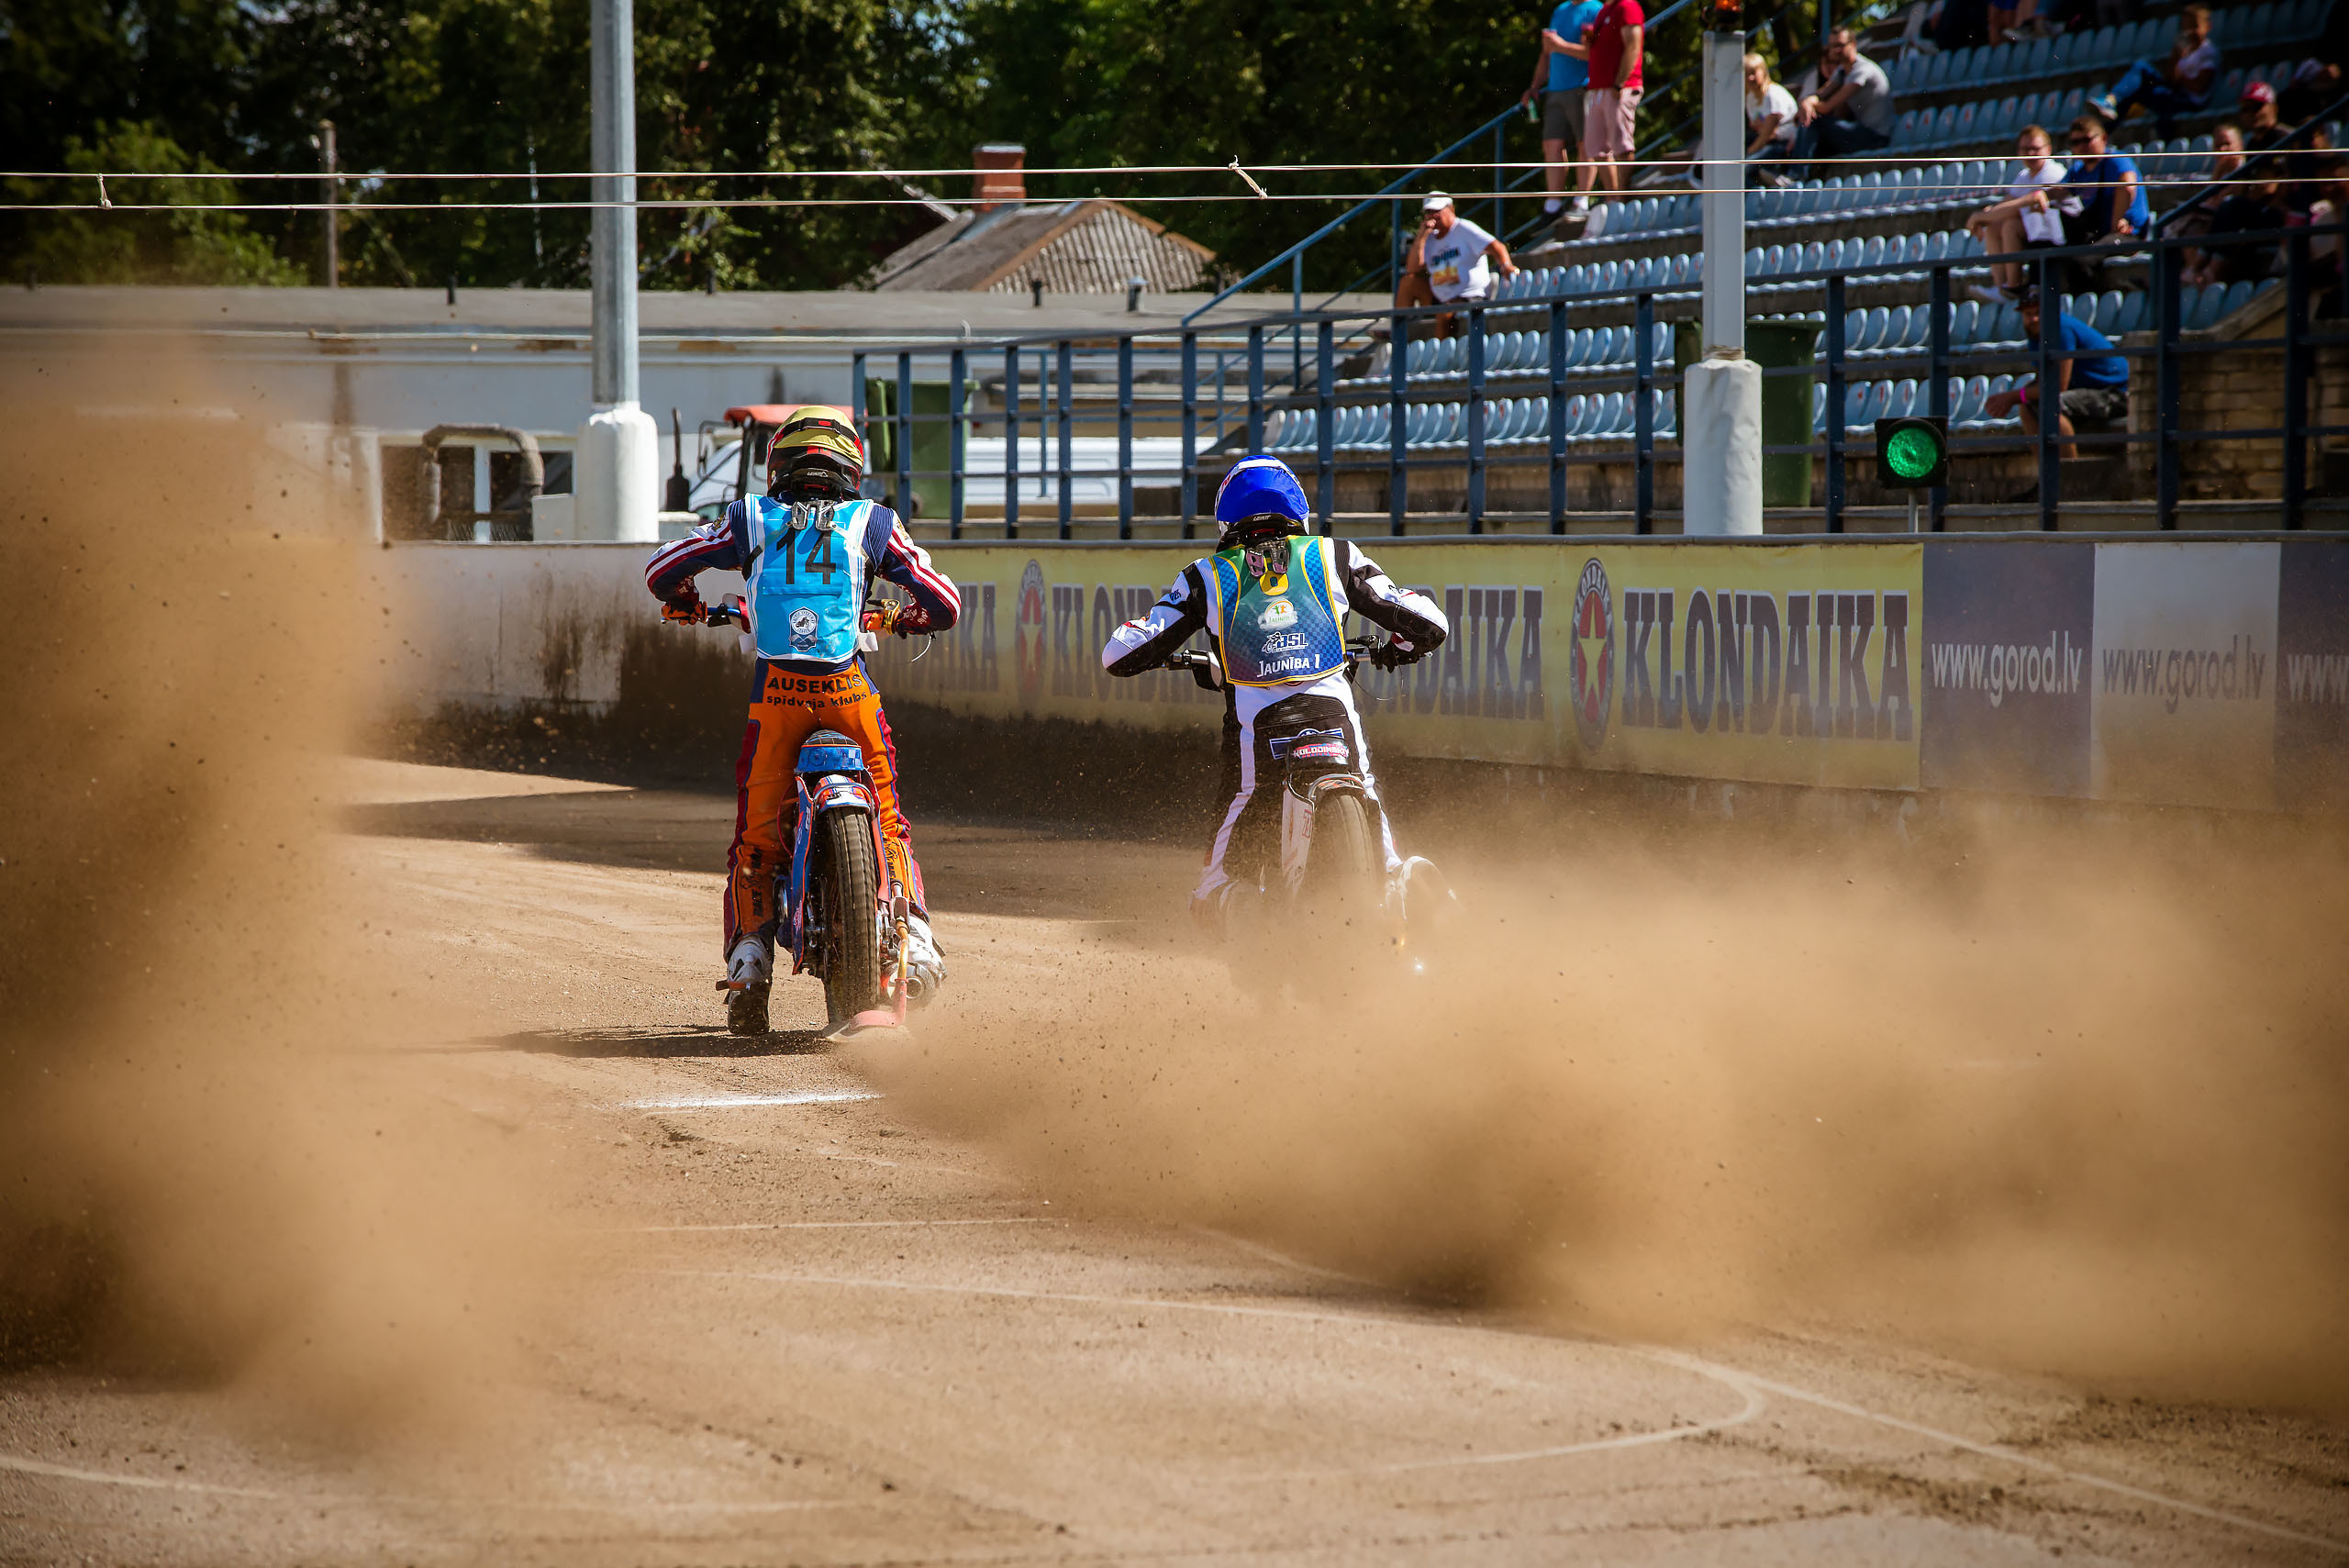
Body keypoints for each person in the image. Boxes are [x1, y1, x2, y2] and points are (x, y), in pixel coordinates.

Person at [644, 406, 959, 1036]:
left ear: (777, 466)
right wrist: (906, 617)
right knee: (889, 822)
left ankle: (749, 963)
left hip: (777, 702)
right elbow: (945, 603)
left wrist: (684, 600)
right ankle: (918, 941)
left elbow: (660, 570)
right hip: (849, 694)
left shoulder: (748, 517)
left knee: (756, 841)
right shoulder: (874, 522)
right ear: (851, 470)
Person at [1097, 457, 1449, 935]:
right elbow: (1431, 623)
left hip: (1261, 745)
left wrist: (1153, 647)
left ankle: (1248, 914)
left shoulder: (1205, 575)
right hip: (1336, 728)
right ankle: (1412, 884)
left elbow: (1118, 656)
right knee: (1380, 837)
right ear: (1298, 510)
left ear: (1225, 520)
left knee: (1211, 887)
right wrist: (1398, 649)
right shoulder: (1335, 555)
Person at [1985, 289, 2129, 461]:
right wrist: (2020, 396)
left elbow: (2057, 386)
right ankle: (2045, 471)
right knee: (2027, 406)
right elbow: (2043, 382)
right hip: (2087, 391)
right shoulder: (2035, 335)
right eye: (2028, 314)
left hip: (2115, 393)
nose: (2033, 319)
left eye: (2038, 313)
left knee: (2051, 406)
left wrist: (2012, 396)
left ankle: (2068, 472)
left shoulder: (2061, 329)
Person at [1965, 124, 2083, 297]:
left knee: (2011, 225)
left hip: (2067, 231)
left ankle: (2013, 287)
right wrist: (1985, 216)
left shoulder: (2052, 172)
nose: (2030, 154)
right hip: (2042, 231)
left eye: (2035, 149)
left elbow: (2022, 205)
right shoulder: (2024, 176)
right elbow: (2007, 203)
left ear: (2048, 149)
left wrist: (1979, 217)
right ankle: (2001, 287)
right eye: (2025, 149)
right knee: (1994, 225)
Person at [1396, 194, 1520, 335]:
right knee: (1408, 283)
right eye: (1428, 212)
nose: (1432, 216)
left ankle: (1440, 348)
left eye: (1437, 211)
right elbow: (1412, 268)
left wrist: (1506, 265)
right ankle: (1398, 335)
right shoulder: (1428, 237)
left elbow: (1497, 246)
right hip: (1440, 297)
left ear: (1451, 209)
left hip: (1468, 297)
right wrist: (1421, 237)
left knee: (1444, 313)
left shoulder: (1464, 228)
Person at [1523, 0, 1605, 214]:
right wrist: (1534, 87)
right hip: (1555, 90)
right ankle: (1553, 205)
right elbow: (1546, 53)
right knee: (1551, 145)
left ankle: (1581, 200)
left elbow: (1594, 53)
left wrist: (1560, 45)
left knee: (1585, 144)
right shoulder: (1560, 10)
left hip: (1582, 87)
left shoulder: (1595, 10)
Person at [2088, 4, 2219, 137]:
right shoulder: (2184, 50)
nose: (2189, 31)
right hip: (2176, 95)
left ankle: (2106, 123)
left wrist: (2179, 73)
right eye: (2186, 27)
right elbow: (2171, 79)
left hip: (2191, 103)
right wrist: (2175, 59)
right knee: (2138, 75)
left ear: (2207, 26)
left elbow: (2198, 87)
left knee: (2141, 69)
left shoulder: (2208, 52)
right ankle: (2109, 108)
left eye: (2194, 26)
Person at [1792, 28, 1898, 172]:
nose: (1836, 50)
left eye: (1840, 45)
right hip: (1861, 133)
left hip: (1876, 137)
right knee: (1812, 131)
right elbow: (1821, 94)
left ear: (1853, 44)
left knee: (1814, 121)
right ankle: (1799, 176)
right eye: (1832, 46)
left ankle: (1797, 174)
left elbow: (1827, 106)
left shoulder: (1862, 70)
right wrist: (1807, 103)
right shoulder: (1842, 71)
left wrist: (1808, 104)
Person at [1581, 0, 1645, 196]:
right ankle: (1613, 198)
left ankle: (1624, 197)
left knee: (1622, 146)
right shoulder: (1604, 10)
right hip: (1597, 89)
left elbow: (1633, 45)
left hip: (1619, 88)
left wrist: (1619, 83)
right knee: (1596, 149)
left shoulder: (1627, 6)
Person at [2173, 121, 2248, 285]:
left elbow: (2216, 202)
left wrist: (2219, 171)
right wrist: (2219, 171)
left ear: (2240, 145)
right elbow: (2209, 199)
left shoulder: (2245, 171)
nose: (2222, 149)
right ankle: (2192, 275)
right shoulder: (2221, 171)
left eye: (2227, 144)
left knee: (2192, 229)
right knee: (2185, 229)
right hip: (2210, 223)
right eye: (2218, 145)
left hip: (2229, 225)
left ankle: (2197, 274)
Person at [2055, 116, 2148, 245]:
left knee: (2088, 254)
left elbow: (2127, 185)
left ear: (2104, 138)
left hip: (2127, 234)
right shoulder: (2078, 169)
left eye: (2086, 140)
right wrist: (2037, 196)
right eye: (2075, 142)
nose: (2081, 146)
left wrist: (2117, 222)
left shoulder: (2116, 160)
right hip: (2099, 236)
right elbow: (2056, 192)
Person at [1744, 52, 1800, 182]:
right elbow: (1757, 128)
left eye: (1753, 73)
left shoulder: (1773, 94)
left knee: (1743, 168)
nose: (1750, 78)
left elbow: (1767, 134)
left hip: (1785, 144)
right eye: (1746, 74)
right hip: (1767, 141)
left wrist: (1747, 154)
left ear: (1763, 71)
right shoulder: (1750, 98)